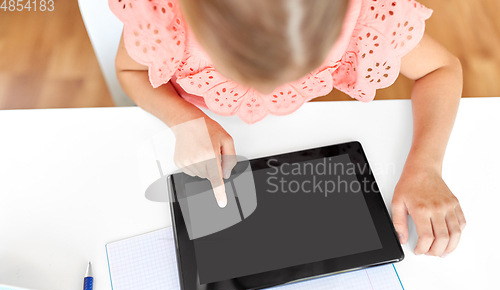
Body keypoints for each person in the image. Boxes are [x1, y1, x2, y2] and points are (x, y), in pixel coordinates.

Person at [110, 0, 466, 258]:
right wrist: (183, 118)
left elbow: (441, 70)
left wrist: (426, 168)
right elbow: (131, 72)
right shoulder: (165, 13)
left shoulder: (366, 14)